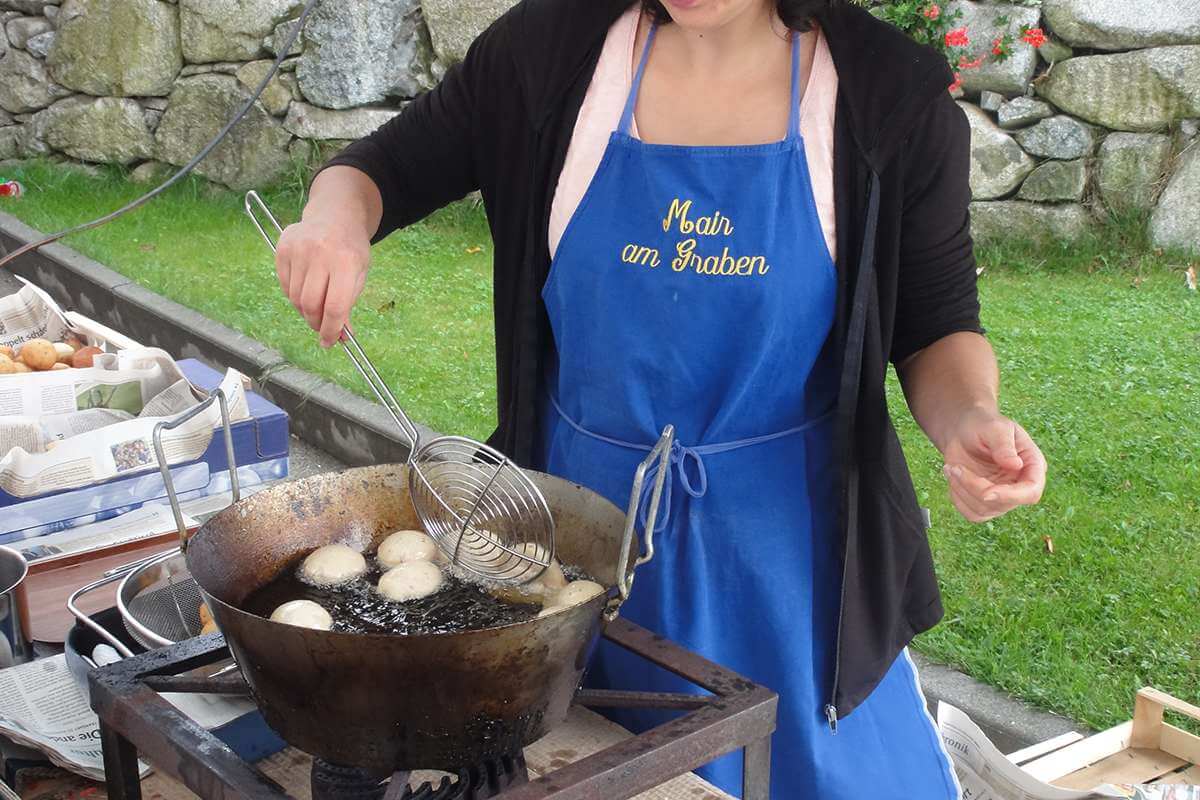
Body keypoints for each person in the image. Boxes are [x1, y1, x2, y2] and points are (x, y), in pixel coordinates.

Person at [273, 0, 1048, 796]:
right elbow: (381, 168)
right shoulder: (547, 54)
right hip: (572, 542)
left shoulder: (890, 94)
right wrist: (335, 220)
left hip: (787, 568)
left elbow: (936, 323)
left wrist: (970, 420)